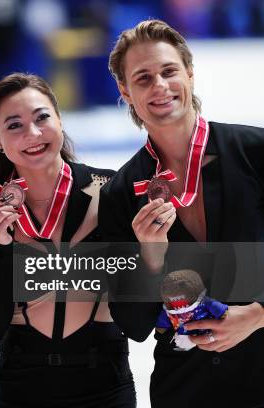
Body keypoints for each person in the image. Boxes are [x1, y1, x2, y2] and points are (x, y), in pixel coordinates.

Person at [100, 19, 264, 407]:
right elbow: (134, 326)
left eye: (169, 71)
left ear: (189, 73)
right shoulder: (123, 191)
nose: (159, 85)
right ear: (125, 90)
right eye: (143, 78)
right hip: (188, 389)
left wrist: (258, 315)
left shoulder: (255, 152)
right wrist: (151, 256)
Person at [0, 73, 136, 407]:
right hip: (20, 384)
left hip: (104, 381)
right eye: (14, 125)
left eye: (42, 117)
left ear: (60, 120)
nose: (32, 134)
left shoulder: (113, 191)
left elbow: (141, 310)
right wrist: (3, 250)